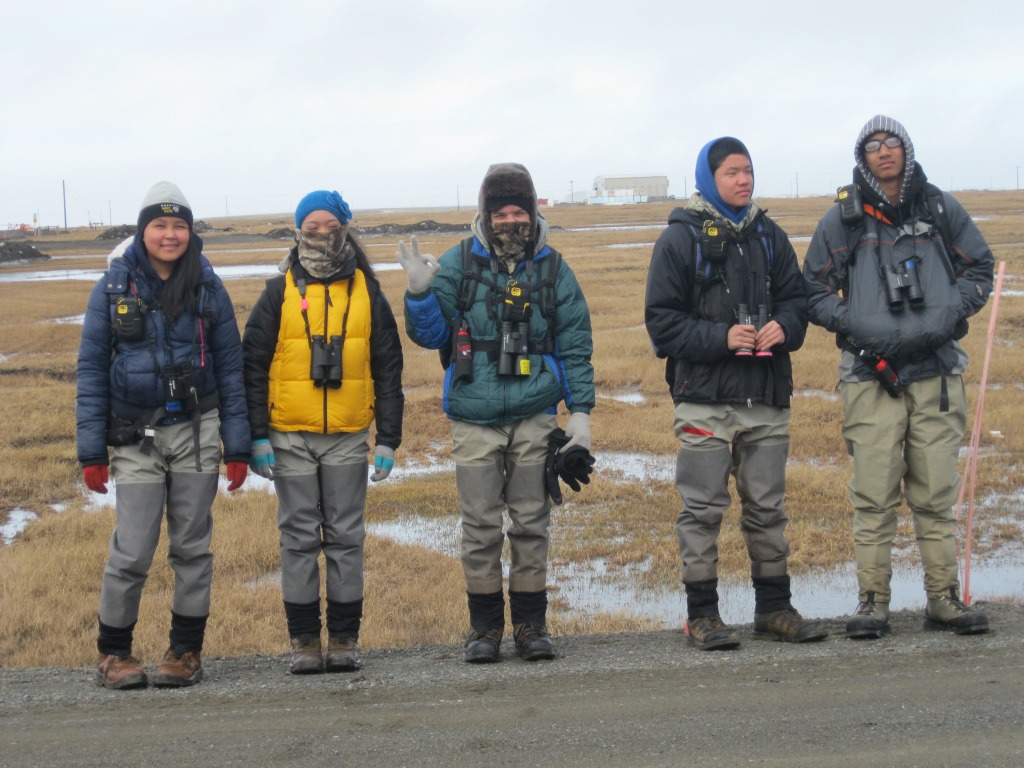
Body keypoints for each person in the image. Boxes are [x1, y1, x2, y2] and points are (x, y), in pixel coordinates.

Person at [803, 115, 994, 639]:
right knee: (873, 494)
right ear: (861, 157)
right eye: (872, 145)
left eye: (892, 143)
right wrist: (858, 326)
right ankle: (872, 602)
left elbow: (981, 268)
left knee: (935, 493)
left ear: (906, 151)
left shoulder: (939, 207)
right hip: (871, 375)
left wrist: (948, 317)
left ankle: (943, 598)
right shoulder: (842, 220)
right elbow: (812, 291)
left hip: (936, 372)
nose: (883, 152)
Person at [398, 163, 594, 663]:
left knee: (532, 520)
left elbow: (575, 342)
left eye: (519, 211)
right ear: (485, 214)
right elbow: (431, 336)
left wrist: (581, 414)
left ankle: (531, 627)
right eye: (501, 211)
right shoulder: (458, 263)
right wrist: (421, 293)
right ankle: (483, 630)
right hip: (473, 417)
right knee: (480, 525)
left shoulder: (553, 269)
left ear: (531, 212)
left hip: (534, 415)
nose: (511, 220)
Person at [645, 138, 827, 651]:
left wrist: (784, 328)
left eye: (748, 171)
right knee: (702, 510)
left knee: (767, 506)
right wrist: (720, 337)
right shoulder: (679, 240)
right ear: (707, 177)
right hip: (704, 398)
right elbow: (661, 324)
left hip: (766, 396)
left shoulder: (769, 235)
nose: (744, 180)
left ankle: (774, 608)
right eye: (732, 172)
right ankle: (702, 615)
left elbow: (797, 299)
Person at [77, 181, 250, 689]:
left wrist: (236, 445)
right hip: (134, 436)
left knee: (193, 547)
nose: (170, 235)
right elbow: (90, 369)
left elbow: (231, 368)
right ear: (142, 230)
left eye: (179, 226)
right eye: (160, 225)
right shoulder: (113, 286)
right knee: (131, 549)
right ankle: (114, 655)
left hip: (197, 430)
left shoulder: (208, 286)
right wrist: (91, 451)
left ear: (190, 232)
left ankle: (185, 653)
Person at [242, 190, 404, 674]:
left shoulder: (368, 292)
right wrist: (256, 437)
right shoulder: (277, 293)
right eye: (310, 227)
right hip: (288, 436)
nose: (319, 234)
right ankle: (304, 643)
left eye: (328, 226)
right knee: (297, 538)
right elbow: (251, 366)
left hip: (350, 436)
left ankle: (345, 640)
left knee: (346, 536)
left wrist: (389, 439)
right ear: (297, 231)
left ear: (346, 228)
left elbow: (388, 368)